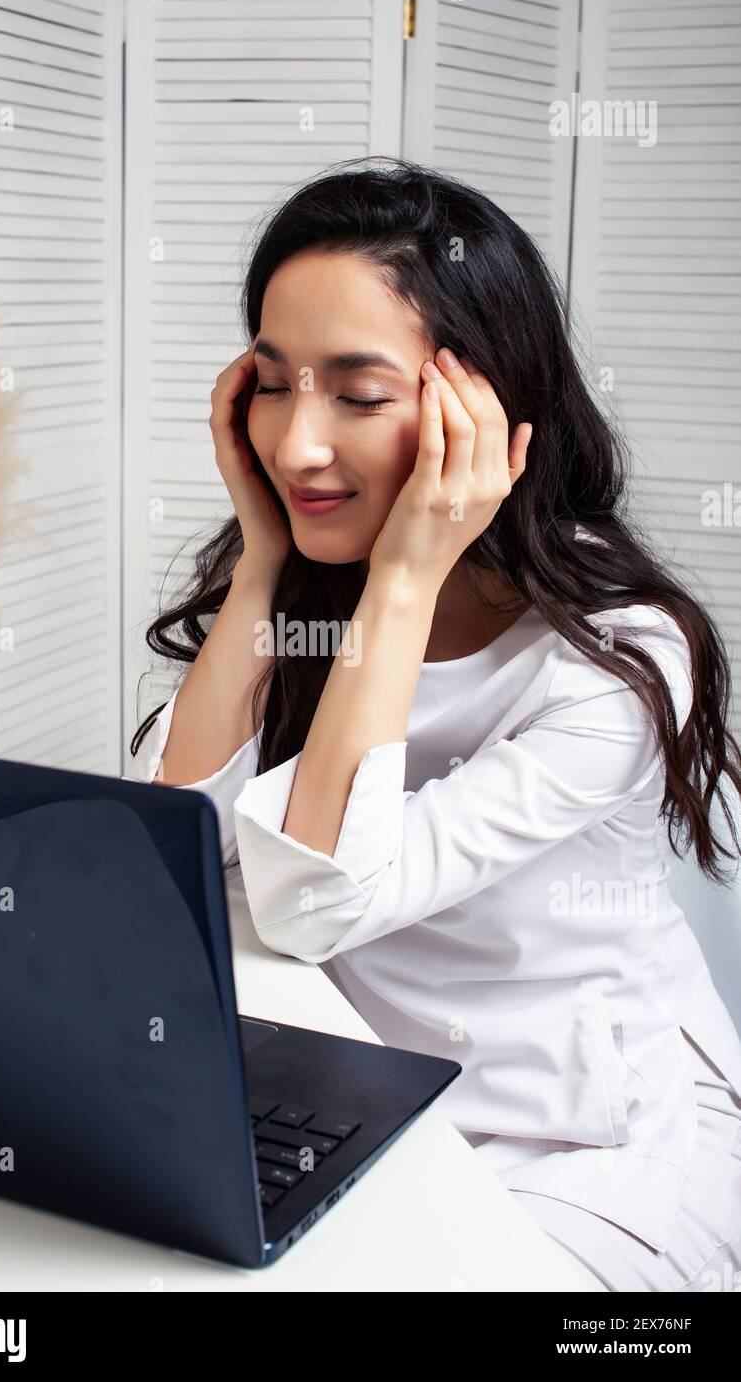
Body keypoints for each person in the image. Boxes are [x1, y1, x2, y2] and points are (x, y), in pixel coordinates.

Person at [125, 159, 741, 1292]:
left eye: (358, 396)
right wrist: (261, 565)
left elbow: (315, 904)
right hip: (357, 1095)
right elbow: (173, 862)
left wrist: (408, 576)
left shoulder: (617, 658)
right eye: (271, 382)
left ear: (487, 412)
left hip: (584, 1135)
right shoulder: (307, 593)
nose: (297, 444)